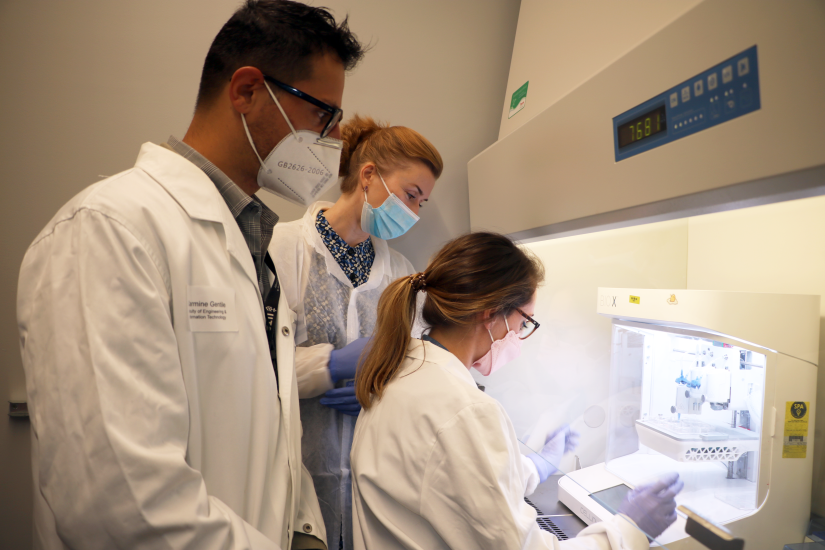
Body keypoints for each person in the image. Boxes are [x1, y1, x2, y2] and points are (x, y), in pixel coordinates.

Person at [16, 2, 366, 548]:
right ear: (247, 90)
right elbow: (118, 505)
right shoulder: (110, 229)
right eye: (323, 115)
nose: (334, 140)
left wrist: (305, 531)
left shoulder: (253, 242)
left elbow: (273, 435)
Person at [350, 232, 684, 549]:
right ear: (491, 313)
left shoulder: (400, 370)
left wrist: (533, 468)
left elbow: (451, 484)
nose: (524, 338)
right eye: (525, 323)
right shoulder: (463, 409)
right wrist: (630, 529)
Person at [268, 114, 443, 550]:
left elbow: (417, 359)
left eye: (421, 203)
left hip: (373, 480)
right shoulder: (284, 248)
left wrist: (384, 386)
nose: (415, 213)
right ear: (369, 175)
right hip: (294, 472)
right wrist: (331, 364)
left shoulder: (400, 272)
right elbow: (256, 363)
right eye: (411, 195)